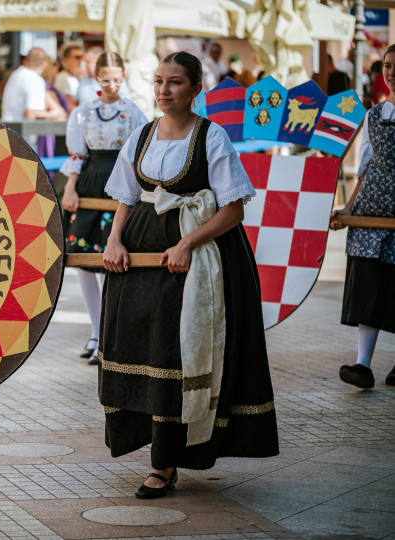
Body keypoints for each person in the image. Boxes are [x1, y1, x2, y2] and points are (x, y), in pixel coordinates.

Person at [100, 51, 279, 498]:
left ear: (197, 89)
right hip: (140, 260)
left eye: (175, 82)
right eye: (159, 81)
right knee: (144, 348)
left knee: (177, 355)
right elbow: (126, 194)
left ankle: (164, 465)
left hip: (197, 262)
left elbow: (233, 209)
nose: (164, 90)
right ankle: (155, 451)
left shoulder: (212, 137)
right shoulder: (141, 135)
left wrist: (187, 243)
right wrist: (114, 240)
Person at [60, 52, 147, 365]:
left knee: (109, 259)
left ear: (123, 78)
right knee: (84, 259)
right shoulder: (83, 113)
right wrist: (70, 187)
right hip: (90, 180)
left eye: (117, 79)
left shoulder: (134, 112)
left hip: (119, 178)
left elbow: (138, 156)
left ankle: (109, 335)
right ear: (96, 78)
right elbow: (76, 155)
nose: (112, 84)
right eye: (106, 78)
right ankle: (95, 332)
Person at [329, 43, 395, 389]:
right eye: (386, 65)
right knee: (369, 282)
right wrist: (349, 209)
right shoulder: (373, 116)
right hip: (371, 211)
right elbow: (365, 169)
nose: (391, 72)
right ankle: (362, 364)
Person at [1, 48, 65, 122]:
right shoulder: (35, 79)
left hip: (8, 128)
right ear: (44, 65)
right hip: (21, 131)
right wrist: (57, 114)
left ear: (25, 60)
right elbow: (31, 113)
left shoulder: (16, 74)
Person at [54, 43, 84, 111]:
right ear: (66, 59)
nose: (81, 60)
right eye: (77, 57)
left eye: (82, 57)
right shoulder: (64, 78)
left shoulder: (73, 77)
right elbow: (70, 104)